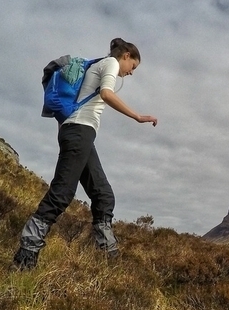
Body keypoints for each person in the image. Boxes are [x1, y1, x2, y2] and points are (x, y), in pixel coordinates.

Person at [12, 38, 158, 270]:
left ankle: (108, 260)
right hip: (79, 132)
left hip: (80, 134)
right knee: (62, 193)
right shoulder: (110, 63)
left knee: (103, 195)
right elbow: (107, 94)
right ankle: (25, 256)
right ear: (127, 55)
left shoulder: (97, 65)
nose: (131, 73)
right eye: (133, 67)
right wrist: (138, 117)